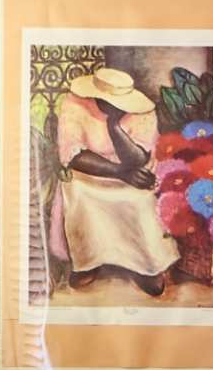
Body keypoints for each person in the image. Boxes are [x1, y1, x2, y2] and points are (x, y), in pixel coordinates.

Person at [50, 66, 179, 294]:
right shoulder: (75, 104)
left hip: (133, 171)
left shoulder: (142, 112)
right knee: (78, 194)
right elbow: (74, 155)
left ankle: (146, 266)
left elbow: (139, 158)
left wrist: (114, 126)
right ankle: (88, 261)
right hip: (91, 172)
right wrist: (119, 172)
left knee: (139, 200)